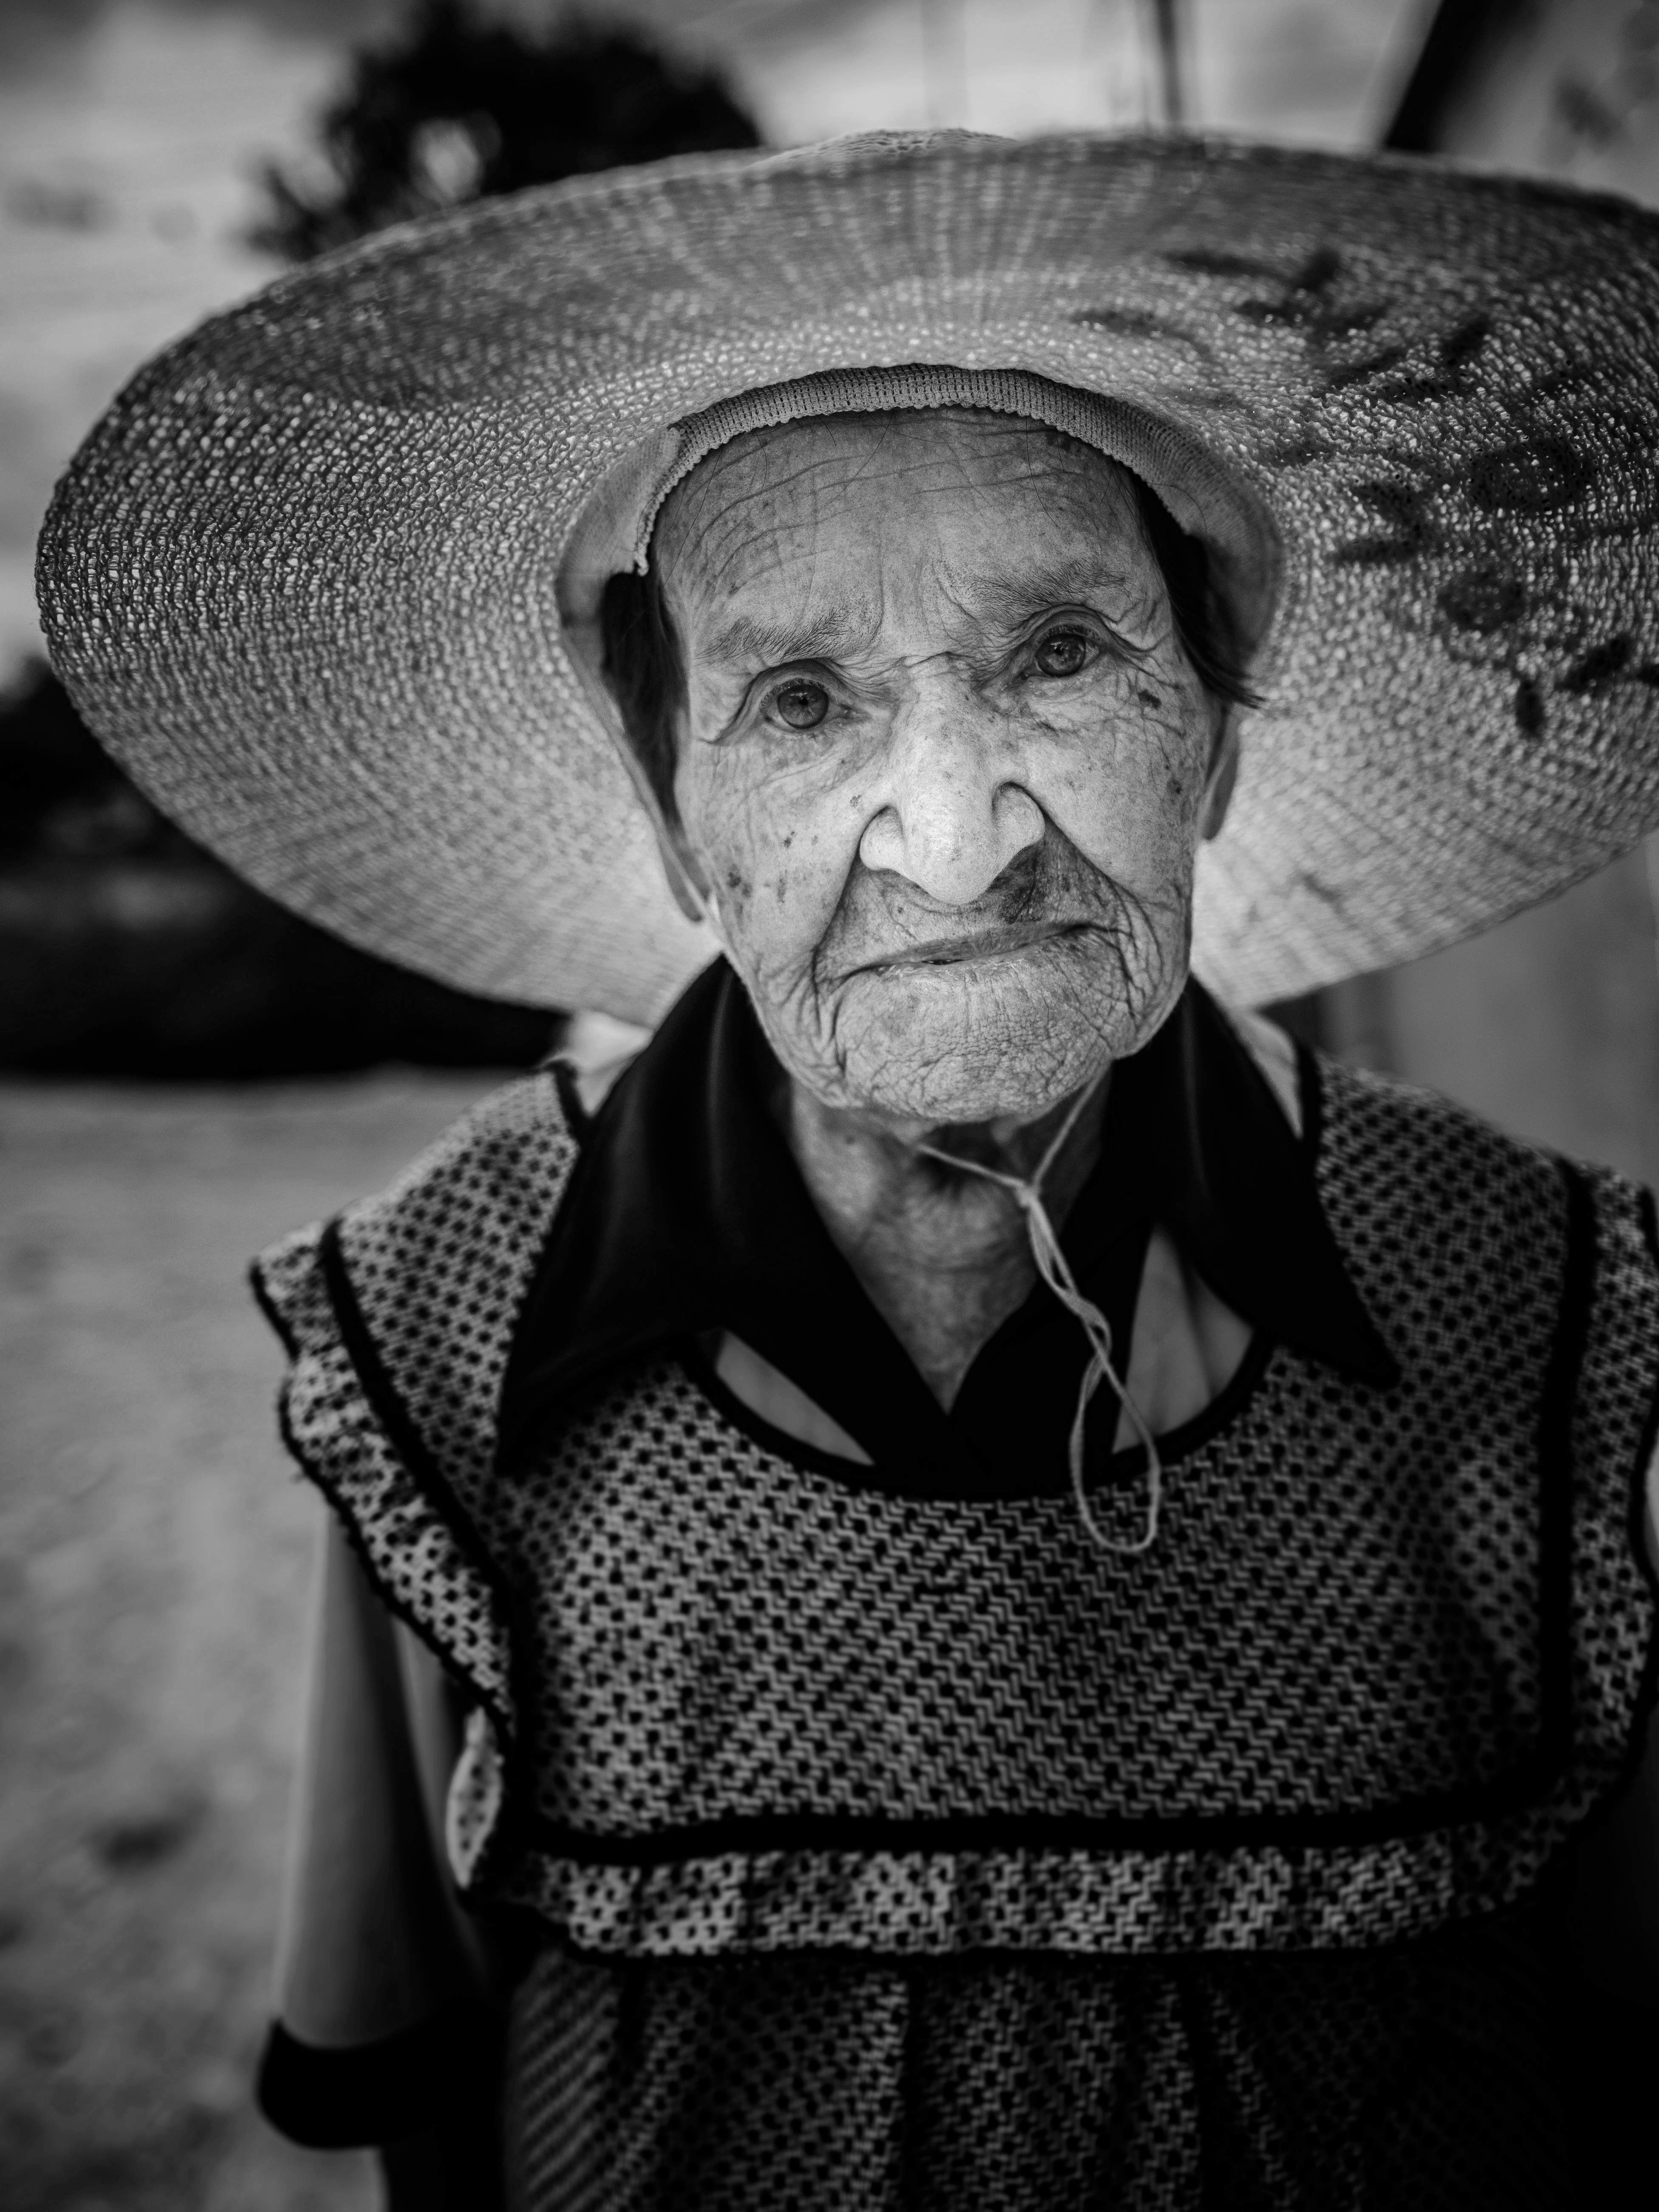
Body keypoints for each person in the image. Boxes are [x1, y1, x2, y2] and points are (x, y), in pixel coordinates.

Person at [37, 131, 1659, 2210]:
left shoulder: (1537, 1309)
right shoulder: (441, 1336)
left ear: (1215, 744)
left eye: (1059, 658)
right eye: (799, 702)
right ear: (675, 822)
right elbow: (414, 2092)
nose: (955, 841)